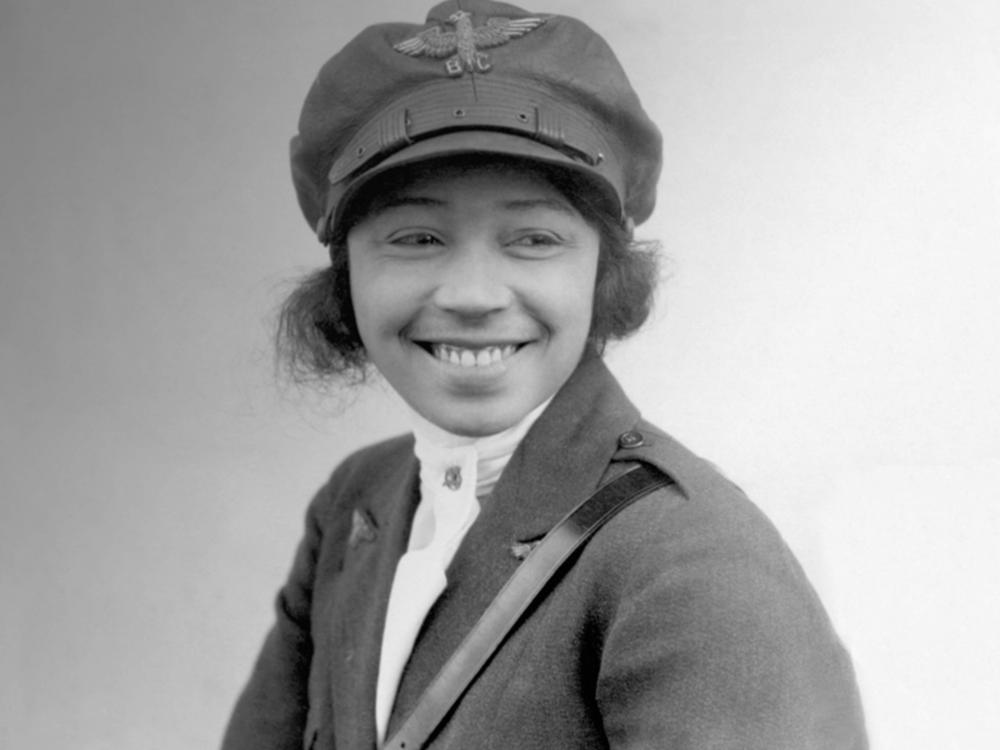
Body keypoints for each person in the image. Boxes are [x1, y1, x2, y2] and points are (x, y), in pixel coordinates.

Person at [222, 2, 868, 748]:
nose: (471, 294)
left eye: (533, 238)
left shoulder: (690, 559)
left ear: (602, 274)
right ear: (348, 277)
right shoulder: (354, 506)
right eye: (417, 237)